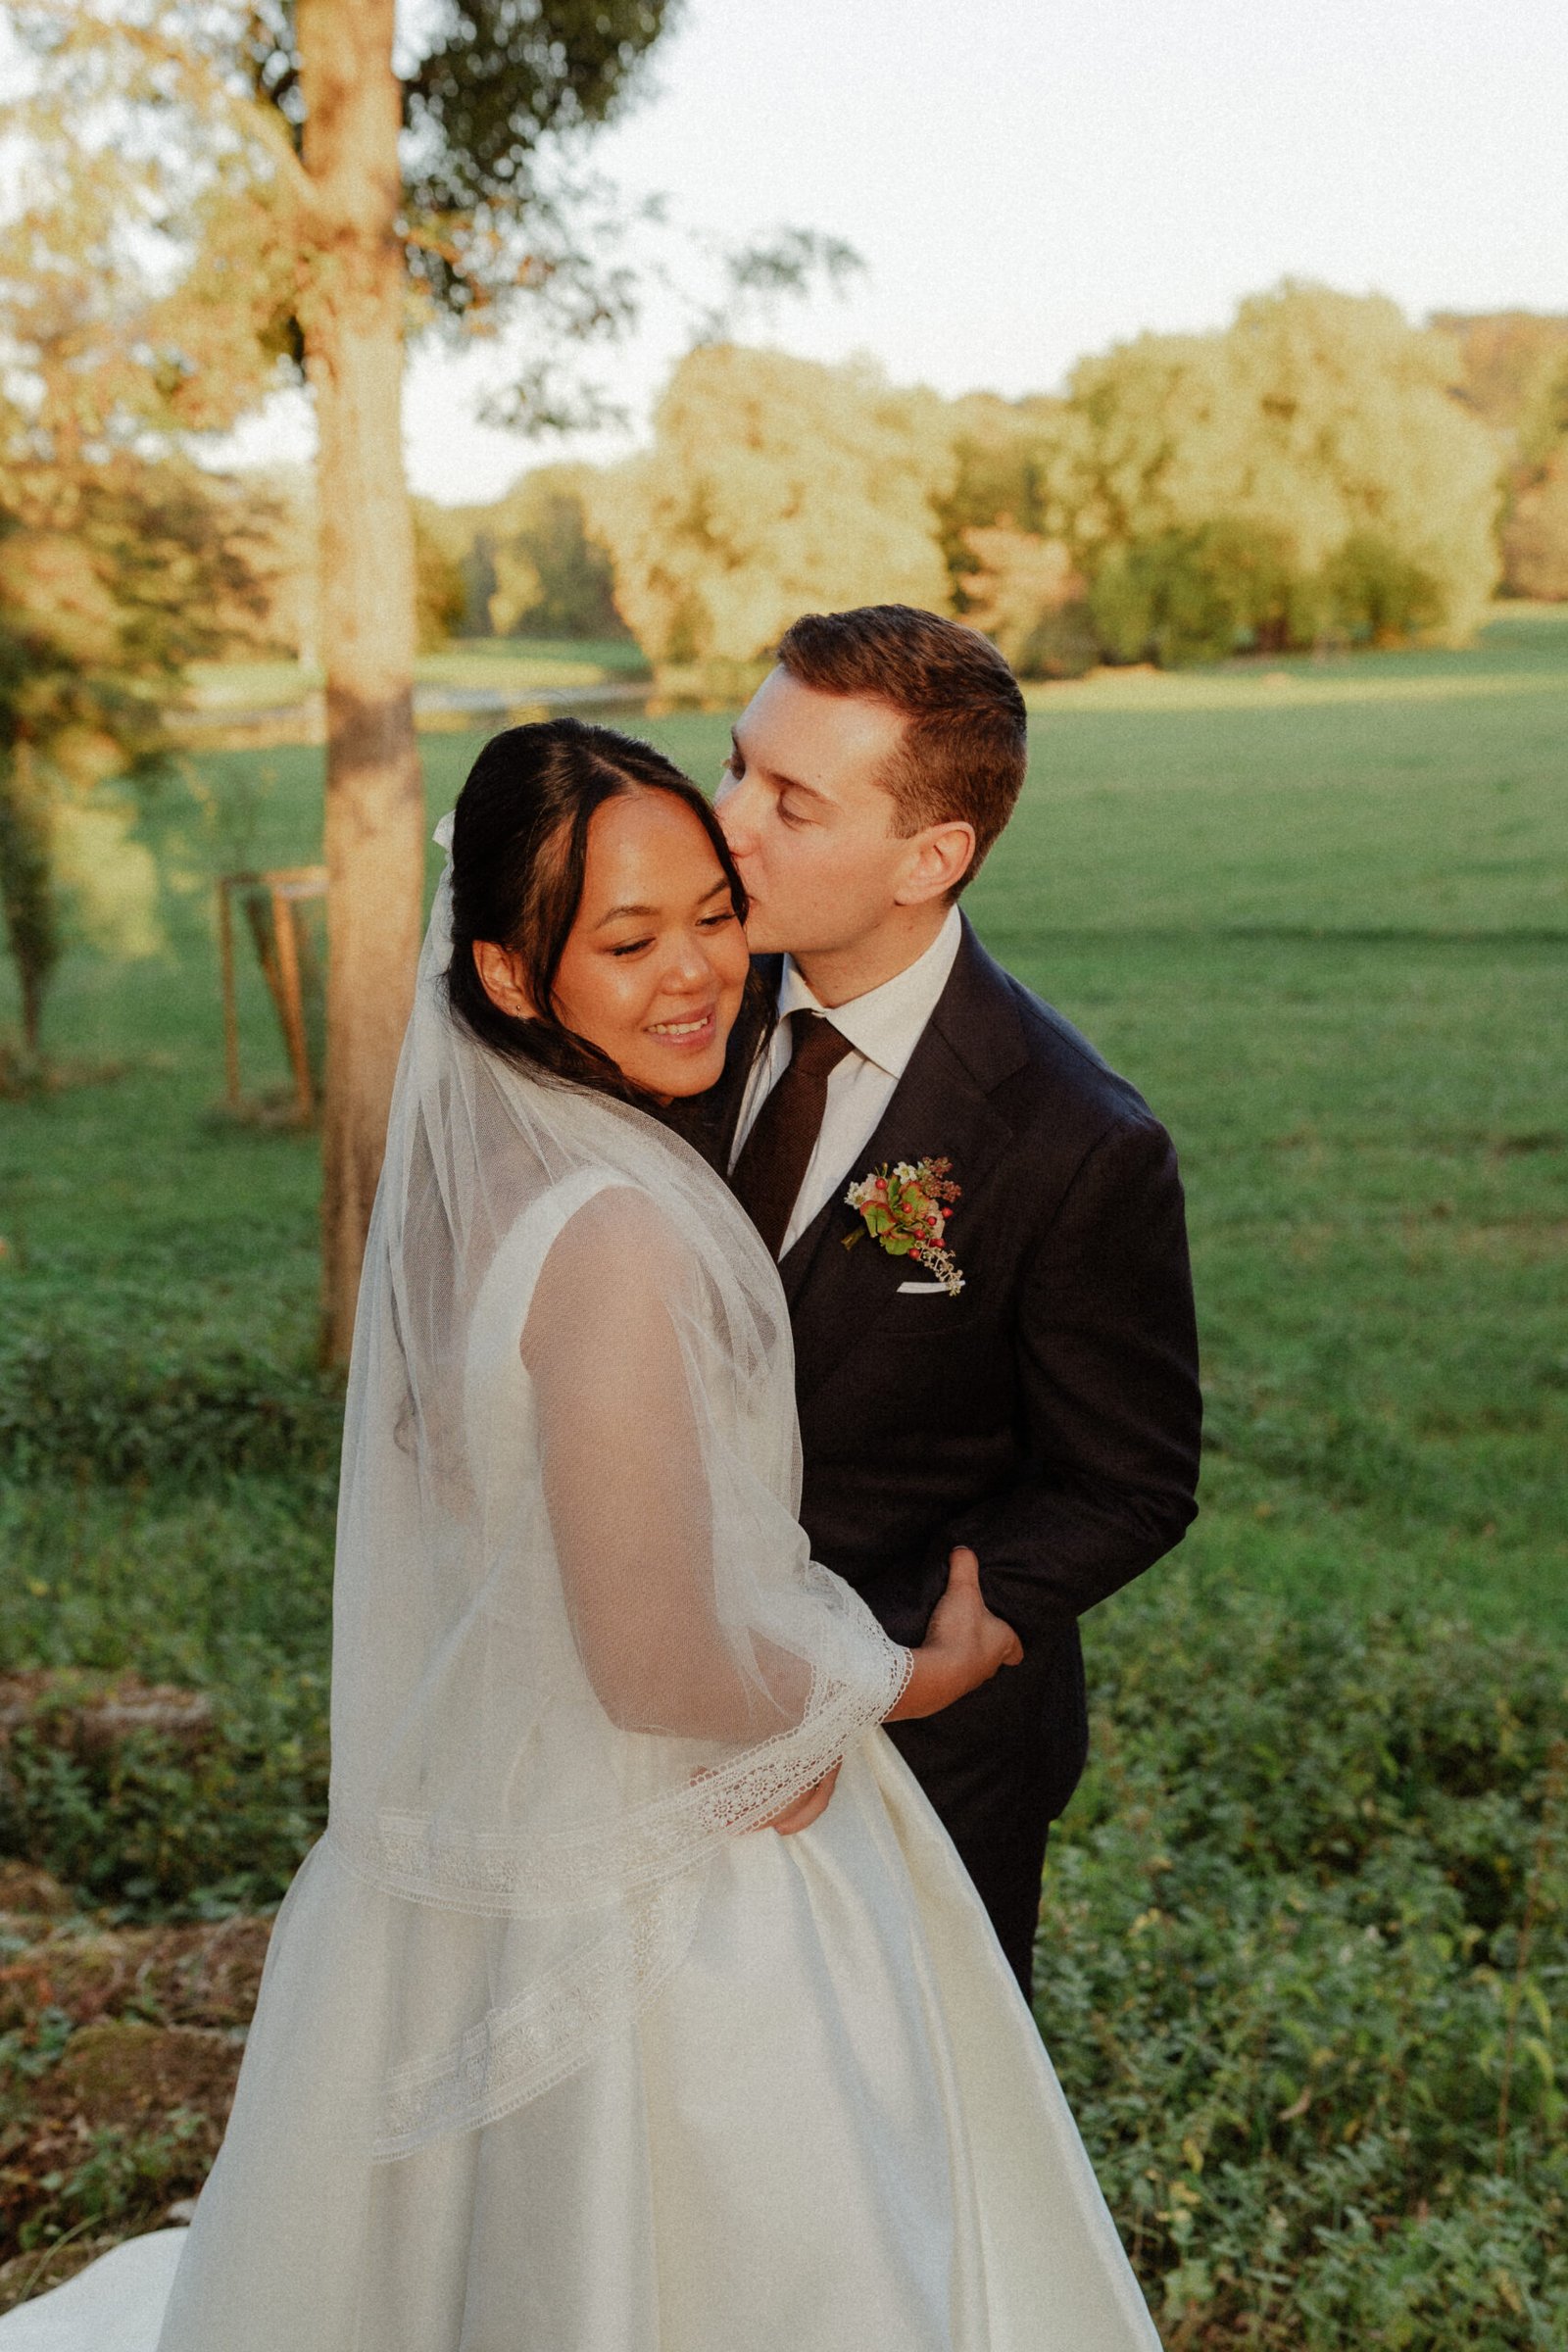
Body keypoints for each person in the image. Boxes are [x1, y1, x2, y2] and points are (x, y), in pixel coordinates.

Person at [0, 719, 1163, 2350]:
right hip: (665, 1880)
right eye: (628, 940)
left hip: (502, 1813)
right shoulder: (615, 1229)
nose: (698, 969)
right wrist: (891, 1677)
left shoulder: (502, 1169)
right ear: (511, 972)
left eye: (710, 910)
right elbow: (653, 1657)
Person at [708, 607, 1203, 1996]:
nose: (728, 821)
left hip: (917, 1760)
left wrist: (959, 1636)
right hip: (649, 1723)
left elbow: (1133, 1481)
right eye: (736, 765)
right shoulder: (674, 1011)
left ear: (932, 857)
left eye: (791, 800)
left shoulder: (1075, 1139)